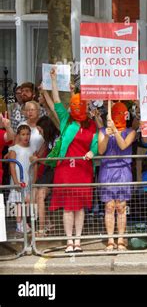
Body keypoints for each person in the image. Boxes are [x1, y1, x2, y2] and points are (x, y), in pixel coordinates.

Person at [48, 68, 98, 253]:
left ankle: (78, 241)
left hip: (83, 169)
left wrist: (93, 153)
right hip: (65, 170)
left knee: (80, 207)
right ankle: (69, 242)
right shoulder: (65, 120)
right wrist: (54, 81)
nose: (76, 108)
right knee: (68, 207)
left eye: (80, 105)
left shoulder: (91, 124)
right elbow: (56, 102)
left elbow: (95, 144)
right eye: (74, 105)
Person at [98, 102, 136, 251]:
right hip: (107, 170)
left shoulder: (131, 131)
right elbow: (101, 150)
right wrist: (107, 135)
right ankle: (110, 239)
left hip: (123, 170)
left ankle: (120, 239)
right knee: (109, 206)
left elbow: (123, 145)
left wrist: (116, 131)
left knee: (121, 206)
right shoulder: (102, 131)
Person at [32, 116, 60, 237]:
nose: (39, 132)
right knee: (35, 195)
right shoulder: (47, 140)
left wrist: (37, 159)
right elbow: (39, 154)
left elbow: (53, 161)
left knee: (40, 195)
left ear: (46, 128)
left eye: (40, 130)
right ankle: (47, 223)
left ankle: (42, 228)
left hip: (55, 171)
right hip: (48, 172)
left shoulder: (57, 139)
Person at [8, 125, 35, 233]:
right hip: (18, 179)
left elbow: (34, 165)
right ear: (18, 135)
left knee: (27, 201)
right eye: (23, 134)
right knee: (18, 202)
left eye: (28, 134)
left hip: (28, 179)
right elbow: (12, 166)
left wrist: (33, 180)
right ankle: (19, 224)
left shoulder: (32, 149)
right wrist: (15, 181)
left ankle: (25, 222)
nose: (26, 137)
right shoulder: (14, 149)